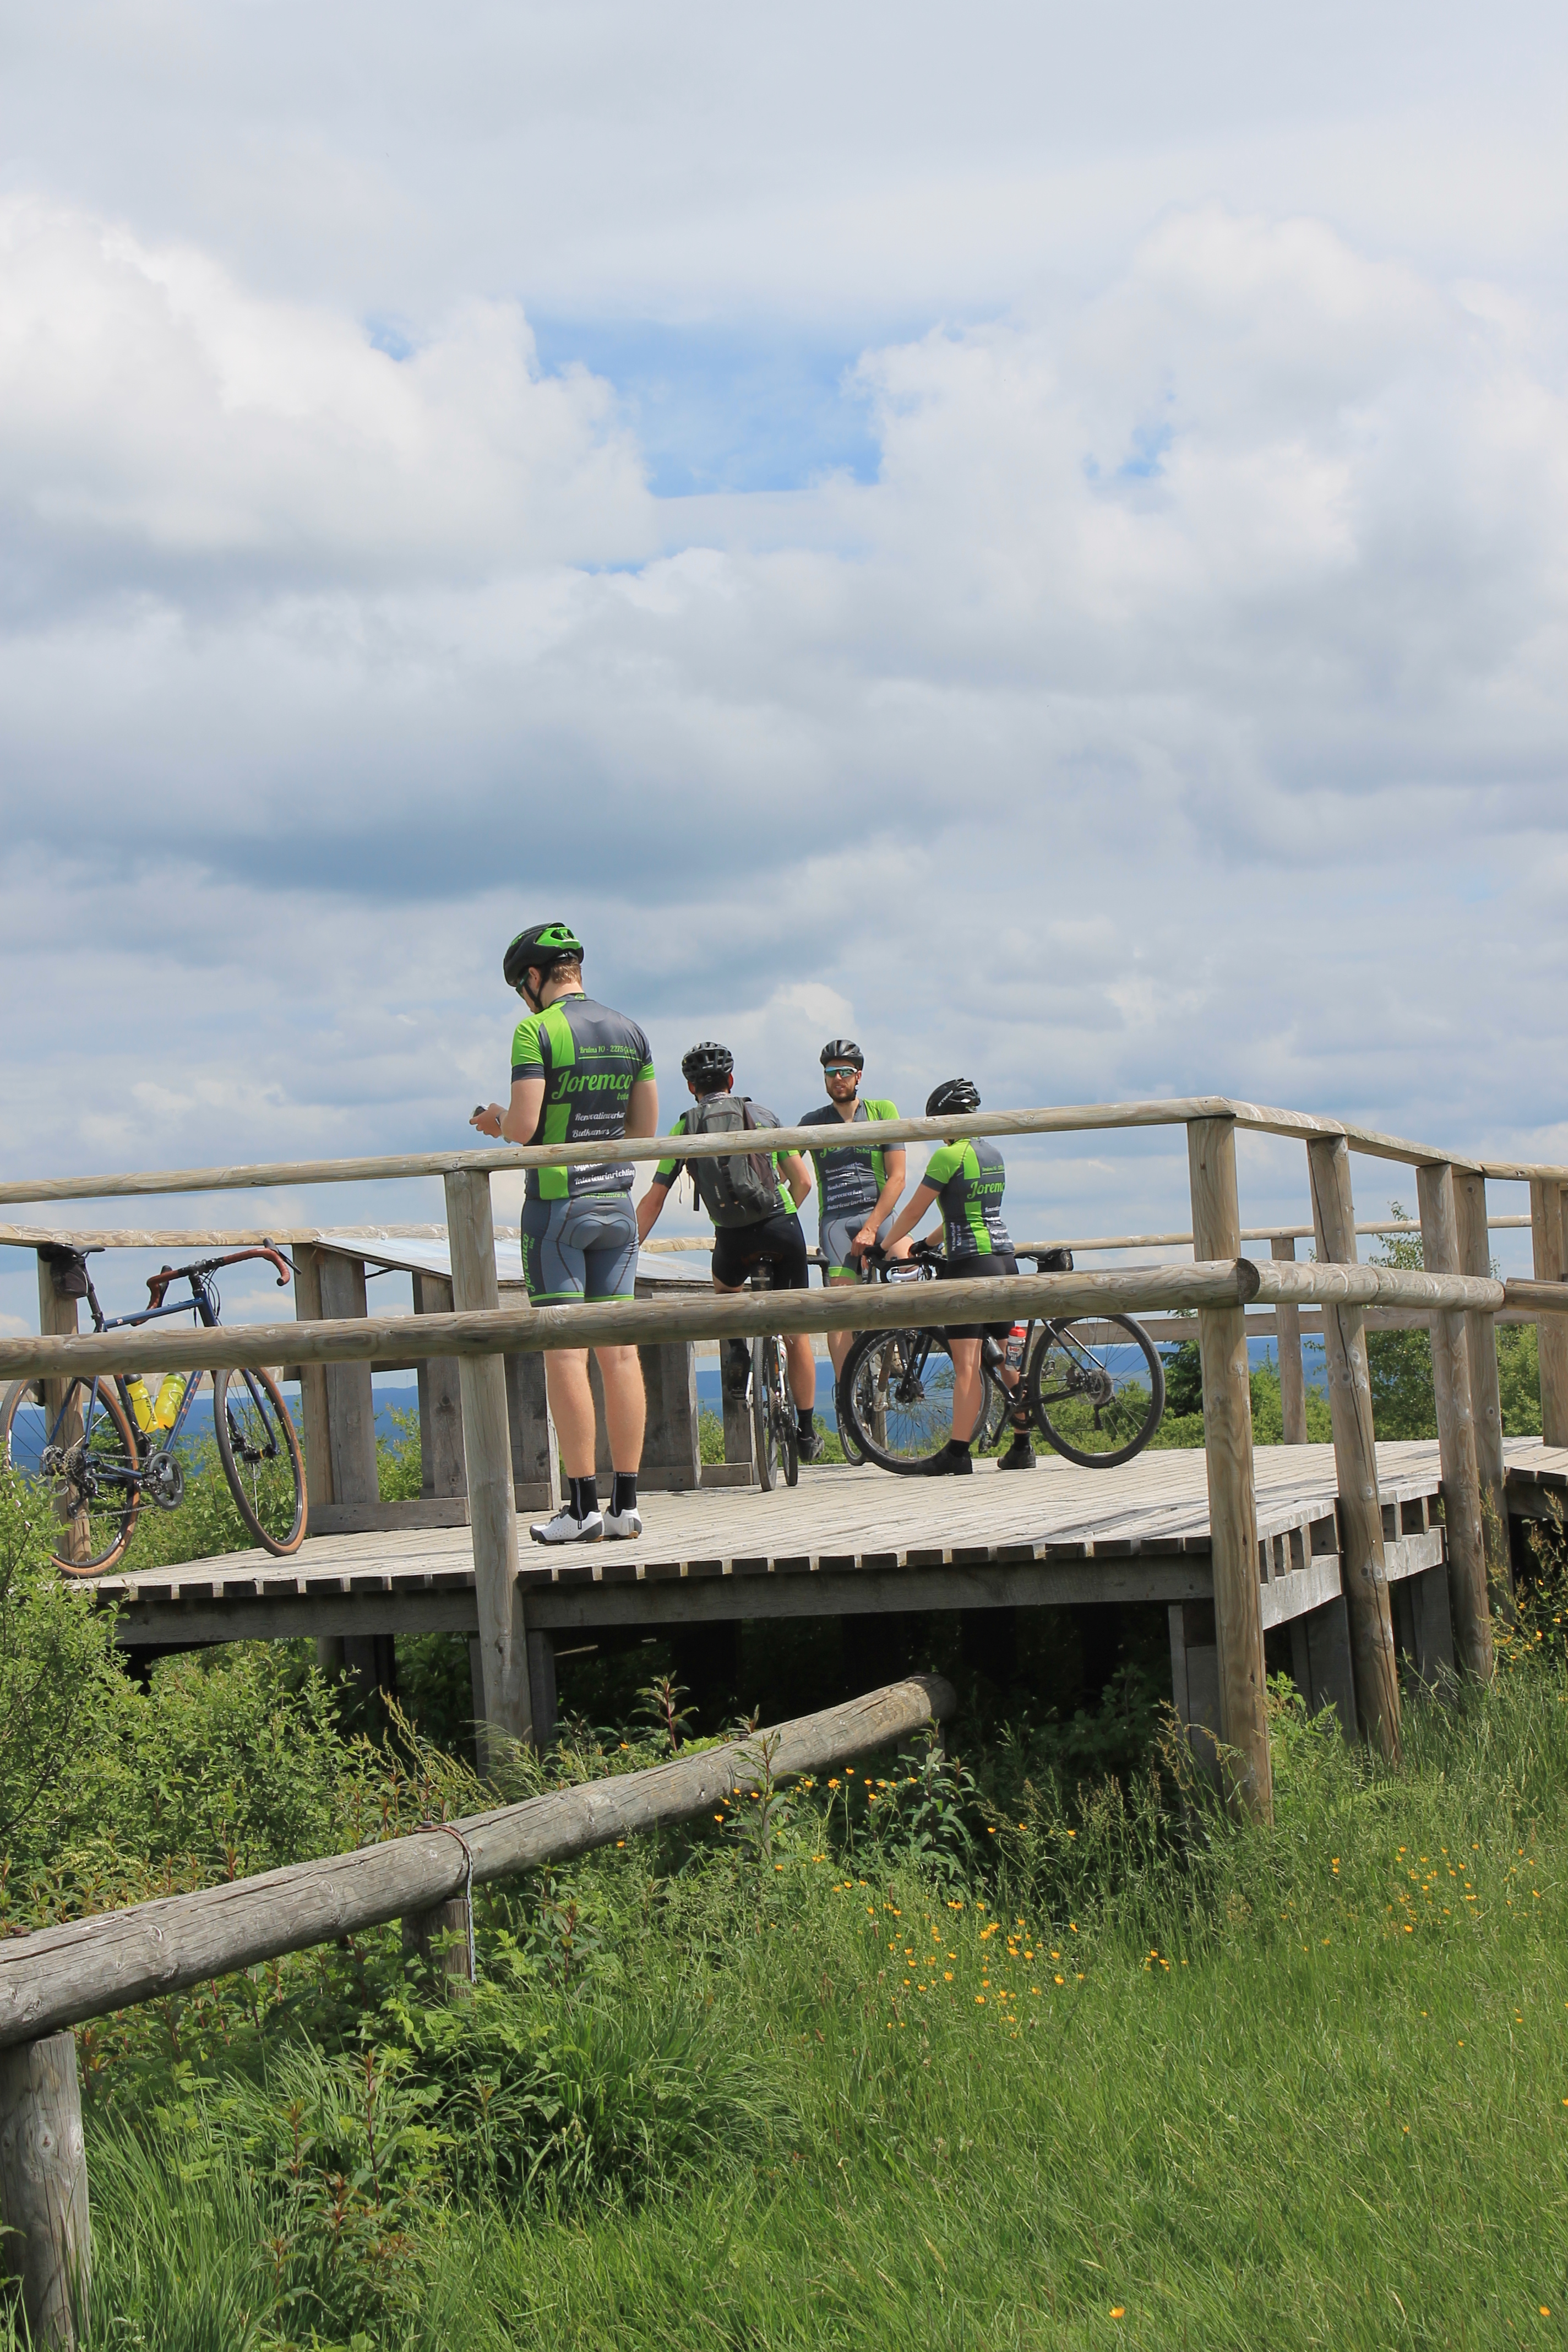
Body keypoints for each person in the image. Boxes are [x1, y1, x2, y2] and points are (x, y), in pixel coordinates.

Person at [470, 921, 657, 1544]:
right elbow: (644, 1130)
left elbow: (524, 1128)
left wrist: (496, 1120)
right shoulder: (630, 1029)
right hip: (618, 1203)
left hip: (556, 1207)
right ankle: (626, 1505)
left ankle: (580, 1509)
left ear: (531, 978)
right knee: (621, 1354)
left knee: (566, 1356)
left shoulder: (535, 1030)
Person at [636, 1042, 824, 1462]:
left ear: (691, 1089)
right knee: (797, 1336)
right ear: (732, 1082)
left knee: (725, 1290)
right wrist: (782, 1214)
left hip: (732, 1238)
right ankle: (808, 1433)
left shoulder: (685, 1128)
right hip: (781, 1228)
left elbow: (655, 1199)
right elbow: (804, 1183)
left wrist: (627, 1248)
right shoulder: (763, 1116)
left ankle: (737, 1346)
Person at [878, 1077, 1035, 1475]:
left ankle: (958, 1452)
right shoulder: (993, 1153)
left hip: (970, 1264)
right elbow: (966, 1214)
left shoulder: (948, 1158)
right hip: (1004, 1260)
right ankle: (1023, 1446)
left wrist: (886, 1246)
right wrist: (925, 1244)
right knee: (1007, 1355)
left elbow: (913, 1211)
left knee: (966, 1363)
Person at [797, 1041, 905, 1385]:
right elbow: (783, 1166)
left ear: (858, 1076)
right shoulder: (812, 1122)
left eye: (845, 1072)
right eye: (831, 1072)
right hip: (837, 1222)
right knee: (839, 1306)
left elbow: (898, 1178)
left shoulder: (882, 1110)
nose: (838, 1078)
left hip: (880, 1215)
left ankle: (899, 1346)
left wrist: (872, 1227)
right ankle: (848, 1392)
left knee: (910, 1268)